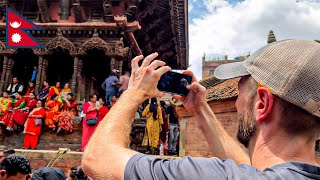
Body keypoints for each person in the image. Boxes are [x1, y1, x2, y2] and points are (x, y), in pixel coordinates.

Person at [82, 44, 320, 180]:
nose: (236, 104)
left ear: (262, 104)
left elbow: (96, 159)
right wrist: (200, 109)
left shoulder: (209, 175)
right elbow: (251, 169)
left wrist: (133, 92)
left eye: (238, 94)